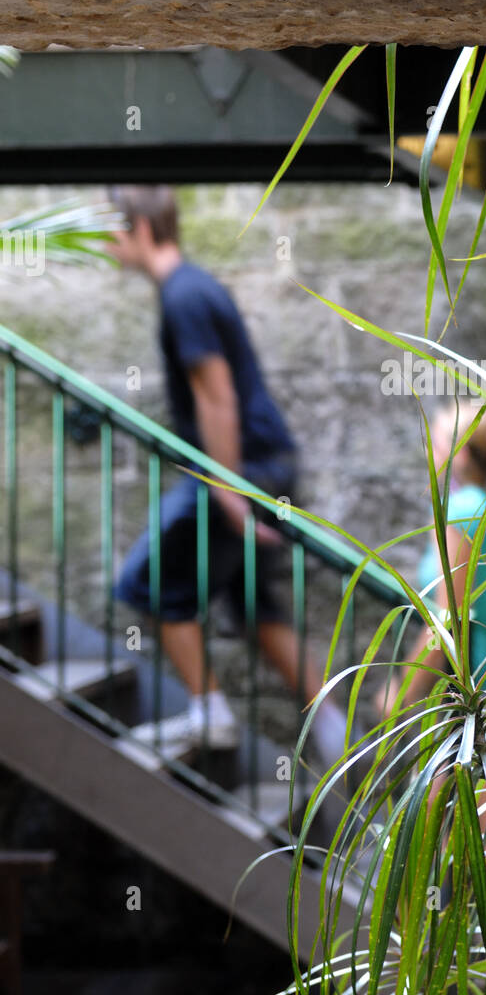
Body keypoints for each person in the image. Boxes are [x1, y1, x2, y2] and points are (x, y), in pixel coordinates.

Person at [108, 184, 346, 764]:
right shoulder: (194, 288)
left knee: (146, 582)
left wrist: (232, 496)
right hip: (264, 464)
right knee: (252, 602)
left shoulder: (184, 296)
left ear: (139, 228)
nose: (107, 247)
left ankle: (211, 718)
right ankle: (340, 736)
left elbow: (217, 398)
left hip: (242, 471)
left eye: (110, 232)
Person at [383, 401, 486, 716]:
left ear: (459, 453)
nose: (428, 454)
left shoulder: (462, 511)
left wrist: (400, 695)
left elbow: (447, 618)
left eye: (434, 444)